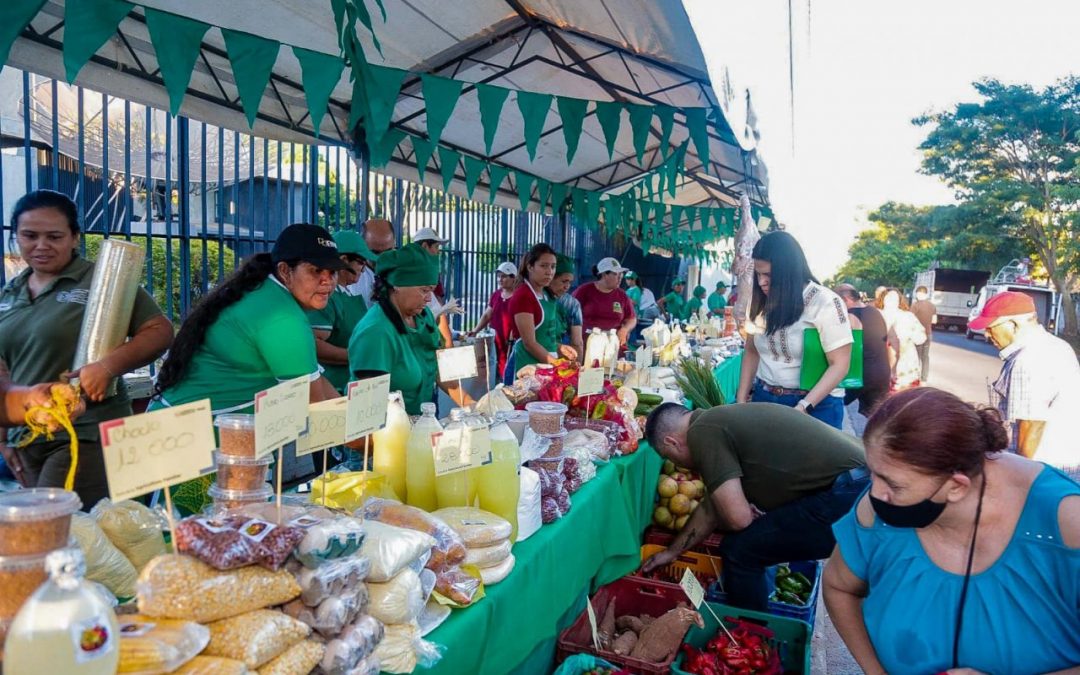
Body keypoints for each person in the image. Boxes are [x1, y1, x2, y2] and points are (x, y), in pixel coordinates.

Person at [823, 387, 1080, 675]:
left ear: (956, 486)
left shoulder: (1067, 522)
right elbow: (838, 587)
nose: (875, 493)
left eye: (894, 485)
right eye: (873, 473)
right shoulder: (878, 508)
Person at [0, 190, 173, 508]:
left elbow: (160, 331)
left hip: (85, 433)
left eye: (54, 236)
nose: (41, 245)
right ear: (16, 237)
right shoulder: (9, 292)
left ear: (75, 238)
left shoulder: (103, 280)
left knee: (63, 530)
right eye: (30, 236)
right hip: (26, 436)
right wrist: (3, 437)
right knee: (50, 537)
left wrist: (108, 367)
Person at [642, 402, 868, 611]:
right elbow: (710, 509)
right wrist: (672, 552)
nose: (676, 464)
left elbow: (738, 519)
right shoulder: (714, 420)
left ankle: (751, 632)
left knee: (740, 551)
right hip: (858, 481)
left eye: (669, 456)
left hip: (850, 493)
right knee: (749, 542)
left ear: (671, 442)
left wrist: (739, 511)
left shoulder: (703, 433)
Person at [153, 223, 342, 414]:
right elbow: (318, 411)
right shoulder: (281, 318)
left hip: (178, 424)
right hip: (196, 434)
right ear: (285, 271)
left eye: (332, 271)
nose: (327, 281)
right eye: (316, 271)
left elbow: (316, 382)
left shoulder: (264, 292)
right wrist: (365, 436)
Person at [736, 231, 853, 429]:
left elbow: (840, 365)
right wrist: (741, 400)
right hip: (764, 398)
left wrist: (803, 407)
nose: (762, 282)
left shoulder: (825, 302)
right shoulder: (758, 301)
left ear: (789, 271)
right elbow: (751, 351)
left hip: (815, 406)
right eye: (758, 274)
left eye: (769, 275)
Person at [969, 291, 1080, 474]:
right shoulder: (1055, 345)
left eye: (990, 328)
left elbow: (1032, 425)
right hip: (1061, 468)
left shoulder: (1028, 359)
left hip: (1042, 471)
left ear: (1012, 325)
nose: (987, 335)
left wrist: (1020, 480)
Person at [348, 243, 445, 415]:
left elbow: (438, 367)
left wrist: (474, 404)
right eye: (424, 290)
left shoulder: (424, 316)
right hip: (386, 435)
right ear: (398, 285)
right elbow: (365, 410)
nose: (429, 299)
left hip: (421, 422)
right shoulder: (376, 332)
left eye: (431, 290)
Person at [307, 230, 376, 393]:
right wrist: (355, 356)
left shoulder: (349, 295)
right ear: (344, 260)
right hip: (331, 387)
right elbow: (313, 344)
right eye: (361, 263)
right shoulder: (328, 298)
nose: (364, 269)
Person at [505, 244, 578, 381]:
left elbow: (543, 336)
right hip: (528, 370)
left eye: (553, 266)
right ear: (530, 266)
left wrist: (560, 347)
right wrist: (556, 364)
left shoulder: (546, 294)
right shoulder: (524, 296)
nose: (549, 271)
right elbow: (530, 343)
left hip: (546, 368)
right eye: (544, 266)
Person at [835, 284, 890, 436]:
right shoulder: (873, 311)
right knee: (877, 420)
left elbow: (844, 347)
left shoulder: (851, 315)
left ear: (846, 299)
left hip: (860, 373)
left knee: (831, 402)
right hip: (881, 371)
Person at [572, 257, 636, 346]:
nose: (620, 277)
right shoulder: (584, 291)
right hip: (588, 345)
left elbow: (631, 318)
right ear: (604, 274)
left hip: (614, 345)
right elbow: (569, 314)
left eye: (621, 274)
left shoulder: (622, 295)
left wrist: (625, 329)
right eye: (615, 274)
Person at [469, 261, 517, 379]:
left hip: (511, 341)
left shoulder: (518, 296)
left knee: (509, 370)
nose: (500, 279)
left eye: (504, 276)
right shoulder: (496, 295)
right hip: (495, 340)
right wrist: (475, 330)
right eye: (499, 276)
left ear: (513, 278)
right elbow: (487, 315)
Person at [413, 227, 457, 349]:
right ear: (425, 246)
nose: (438, 252)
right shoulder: (415, 274)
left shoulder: (430, 273)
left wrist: (448, 347)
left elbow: (437, 308)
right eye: (436, 247)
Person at [877, 287, 926, 391]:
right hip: (882, 363)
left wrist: (908, 336)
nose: (891, 300)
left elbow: (921, 338)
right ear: (883, 298)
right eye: (888, 297)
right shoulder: (877, 315)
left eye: (894, 297)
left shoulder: (908, 316)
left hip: (904, 366)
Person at [351, 218, 396, 304]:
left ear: (394, 243)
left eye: (388, 251)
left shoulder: (406, 271)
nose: (381, 259)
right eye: (375, 252)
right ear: (362, 245)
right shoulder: (350, 276)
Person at [550, 255, 584, 364]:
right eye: (564, 281)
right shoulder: (535, 299)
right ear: (551, 277)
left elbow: (577, 342)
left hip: (556, 357)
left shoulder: (572, 304)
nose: (567, 286)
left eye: (569, 282)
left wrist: (577, 367)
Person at [910, 285, 937, 382]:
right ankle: (924, 378)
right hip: (928, 333)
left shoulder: (915, 305)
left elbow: (910, 319)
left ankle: (915, 377)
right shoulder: (932, 306)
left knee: (916, 356)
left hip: (917, 335)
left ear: (918, 293)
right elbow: (934, 321)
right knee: (925, 357)